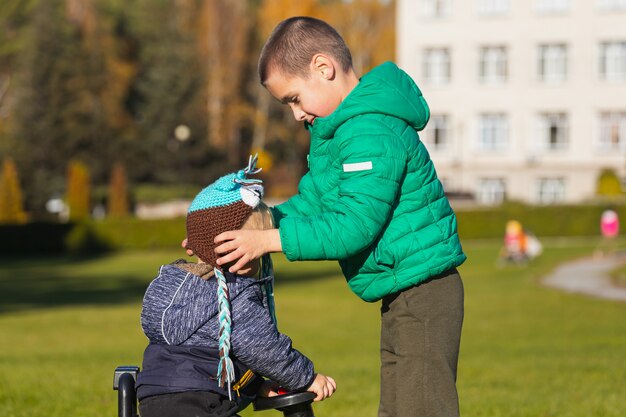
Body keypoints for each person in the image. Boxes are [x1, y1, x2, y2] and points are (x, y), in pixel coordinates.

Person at [187, 16, 466, 417]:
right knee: (402, 405)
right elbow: (310, 206)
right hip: (406, 290)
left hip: (425, 292)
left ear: (323, 68)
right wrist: (235, 227)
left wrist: (266, 241)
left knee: (420, 407)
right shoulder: (341, 134)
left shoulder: (370, 131)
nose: (297, 115)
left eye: (295, 99)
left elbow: (353, 227)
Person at [139, 156, 336, 417]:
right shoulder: (232, 294)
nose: (263, 259)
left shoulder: (174, 286)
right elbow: (264, 348)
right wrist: (306, 378)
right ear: (238, 248)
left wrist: (255, 387)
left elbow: (215, 353)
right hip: (202, 403)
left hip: (153, 398)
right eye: (260, 249)